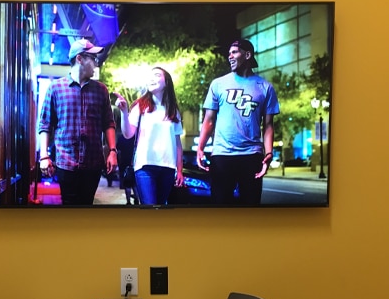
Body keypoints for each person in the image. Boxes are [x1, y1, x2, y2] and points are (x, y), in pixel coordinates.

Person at [196, 39, 280, 205]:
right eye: (229, 54)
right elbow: (209, 120)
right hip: (222, 155)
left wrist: (269, 153)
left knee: (250, 209)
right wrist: (200, 148)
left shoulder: (265, 87)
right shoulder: (218, 84)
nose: (230, 57)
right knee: (220, 208)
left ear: (247, 55)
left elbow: (269, 125)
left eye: (234, 52)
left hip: (252, 155)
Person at [38, 39, 118, 205]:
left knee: (87, 206)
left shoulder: (101, 90)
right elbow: (45, 125)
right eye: (93, 59)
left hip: (93, 162)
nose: (96, 63)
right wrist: (44, 156)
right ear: (80, 58)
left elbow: (108, 123)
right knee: (69, 207)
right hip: (65, 162)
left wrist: (112, 151)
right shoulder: (55, 88)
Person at [114, 67, 184, 206]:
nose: (151, 78)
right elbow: (128, 134)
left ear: (167, 82)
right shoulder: (140, 106)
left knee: (161, 207)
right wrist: (124, 112)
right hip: (145, 167)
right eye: (150, 76)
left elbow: (177, 143)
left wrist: (180, 170)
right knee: (150, 207)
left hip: (168, 168)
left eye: (157, 75)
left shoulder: (173, 110)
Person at [111, 105, 139, 205]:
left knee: (127, 183)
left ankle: (128, 201)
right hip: (135, 163)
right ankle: (136, 199)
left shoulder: (123, 138)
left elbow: (118, 151)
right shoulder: (136, 137)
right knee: (134, 184)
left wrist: (119, 162)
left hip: (124, 163)